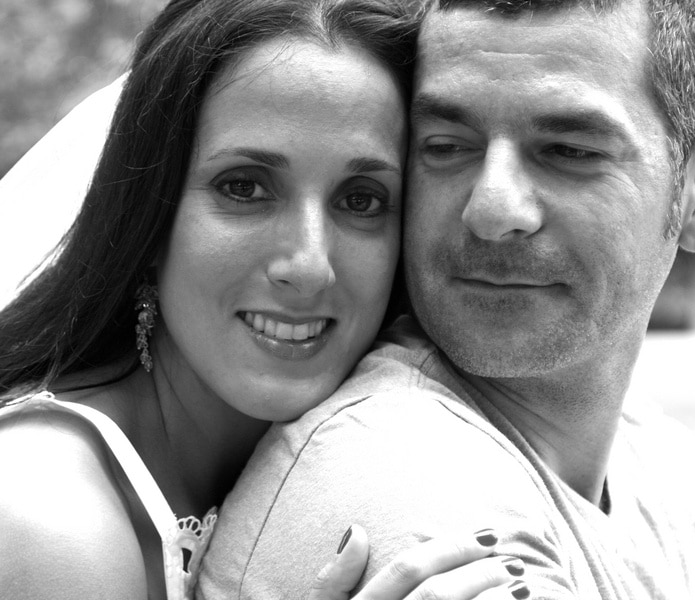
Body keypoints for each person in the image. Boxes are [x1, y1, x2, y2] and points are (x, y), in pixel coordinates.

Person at [194, 0, 695, 598]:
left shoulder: (661, 459)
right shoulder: (400, 481)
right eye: (446, 145)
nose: (492, 209)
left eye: (570, 151)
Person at [0, 0, 529, 598]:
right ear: (147, 219)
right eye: (245, 188)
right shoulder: (51, 518)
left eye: (360, 200)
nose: (308, 266)